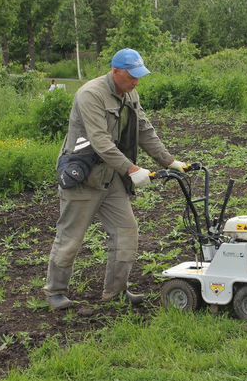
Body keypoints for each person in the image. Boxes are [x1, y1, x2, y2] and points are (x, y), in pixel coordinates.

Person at [43, 48, 188, 310]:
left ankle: (116, 290)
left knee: (126, 231)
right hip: (84, 178)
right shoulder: (90, 94)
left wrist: (169, 161)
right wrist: (132, 170)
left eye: (139, 76)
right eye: (132, 76)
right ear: (116, 71)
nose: (136, 82)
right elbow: (100, 142)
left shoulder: (130, 92)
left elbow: (144, 130)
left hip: (111, 179)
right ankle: (55, 291)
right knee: (71, 237)